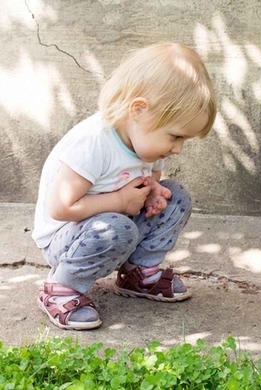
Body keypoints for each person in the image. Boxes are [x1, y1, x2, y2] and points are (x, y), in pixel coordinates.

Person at [32, 42, 217, 330]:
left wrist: (153, 190)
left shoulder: (147, 143)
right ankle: (61, 287)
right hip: (68, 239)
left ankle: (137, 273)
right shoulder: (93, 142)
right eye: (175, 137)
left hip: (117, 223)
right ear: (139, 110)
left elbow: (148, 179)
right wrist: (119, 201)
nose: (178, 149)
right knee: (118, 228)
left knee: (177, 197)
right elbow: (61, 207)